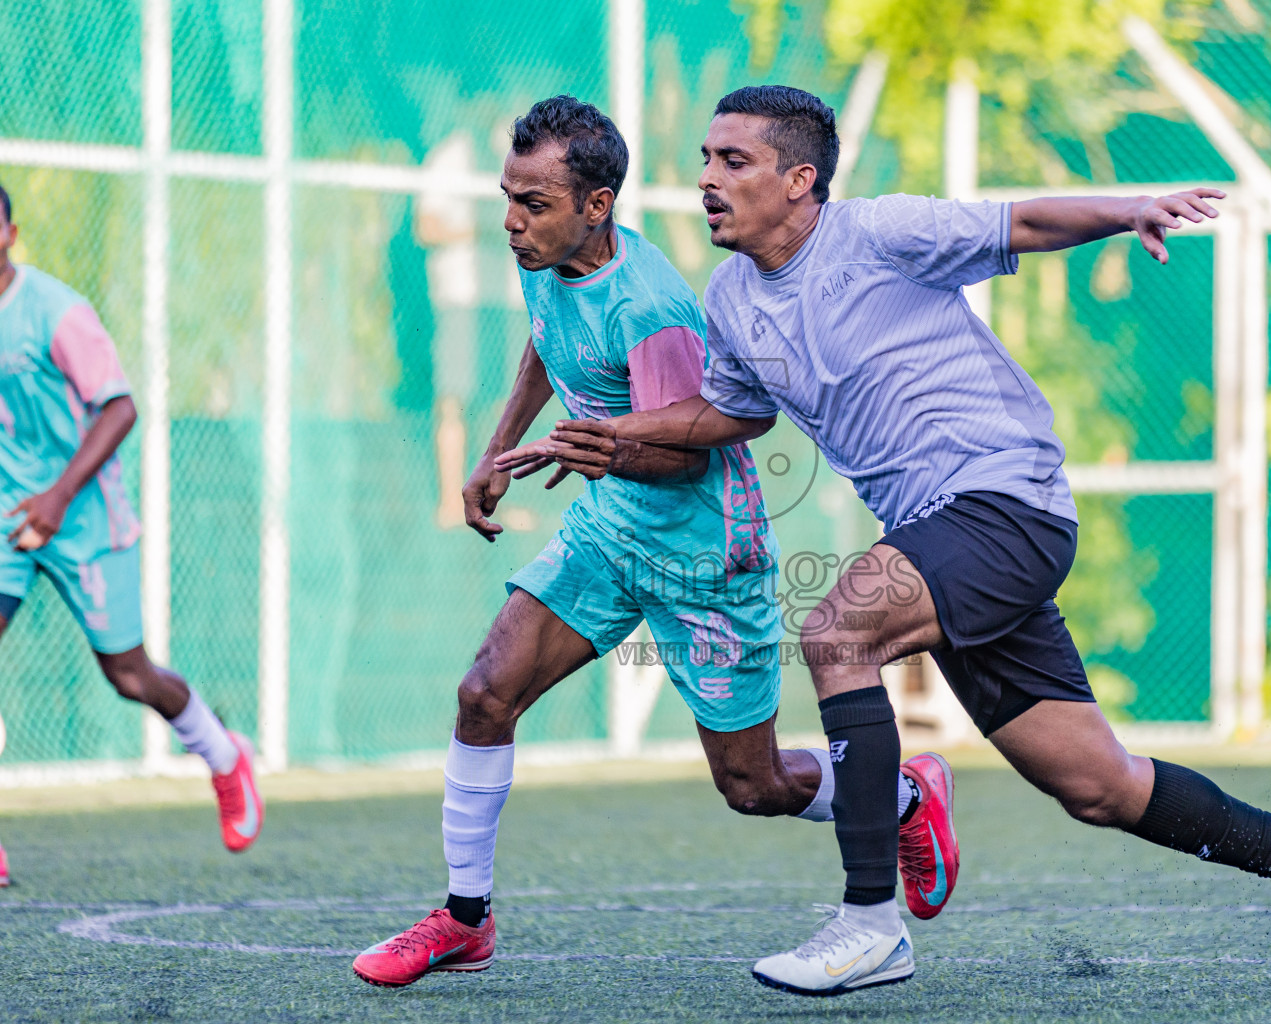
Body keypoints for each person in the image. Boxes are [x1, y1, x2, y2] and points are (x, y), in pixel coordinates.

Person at [548, 85, 1271, 996]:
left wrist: (1129, 209)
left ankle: (871, 924)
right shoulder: (732, 297)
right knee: (1098, 785)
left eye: (733, 160)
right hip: (938, 534)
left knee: (837, 633)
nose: (707, 177)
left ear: (799, 180)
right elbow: (732, 412)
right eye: (707, 159)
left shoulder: (877, 233)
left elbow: (1019, 222)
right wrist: (618, 434)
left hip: (1004, 501)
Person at [352, 96, 958, 989]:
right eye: (508, 199)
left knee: (752, 786)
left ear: (596, 206)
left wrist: (592, 449)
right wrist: (497, 450)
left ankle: (904, 795)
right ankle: (464, 920)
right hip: (607, 531)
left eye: (534, 204)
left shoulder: (651, 308)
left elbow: (685, 456)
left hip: (704, 556)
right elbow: (547, 342)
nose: (513, 222)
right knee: (484, 695)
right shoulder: (547, 255)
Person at [0, 181, 263, 858]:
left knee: (128, 675)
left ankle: (224, 755)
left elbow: (121, 408)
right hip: (6, 513)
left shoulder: (56, 313)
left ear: (11, 235)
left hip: (82, 515)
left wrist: (57, 498)